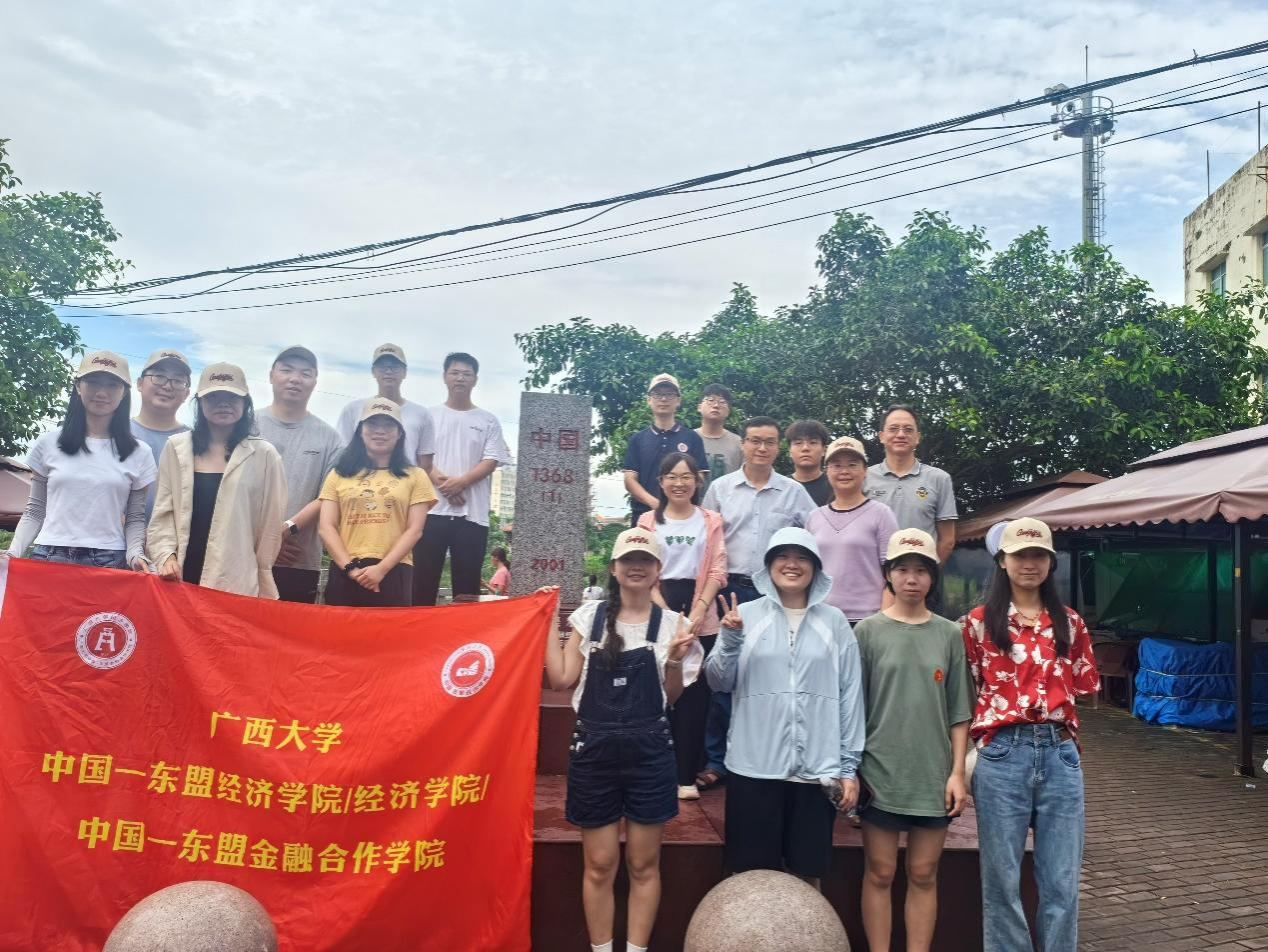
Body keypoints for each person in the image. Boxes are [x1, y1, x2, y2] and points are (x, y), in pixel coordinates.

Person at [542, 529, 702, 952]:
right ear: (614, 568)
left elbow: (671, 698)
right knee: (599, 864)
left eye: (645, 560)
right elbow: (560, 678)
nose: (636, 566)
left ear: (657, 570)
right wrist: (548, 620)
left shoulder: (674, 625)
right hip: (593, 752)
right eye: (628, 559)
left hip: (650, 753)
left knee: (643, 864)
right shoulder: (590, 618)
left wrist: (674, 661)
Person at [962, 518, 1099, 952]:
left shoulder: (1070, 623)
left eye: (1039, 554)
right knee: (1001, 883)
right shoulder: (978, 624)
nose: (1029, 563)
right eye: (1020, 555)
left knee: (1062, 882)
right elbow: (966, 693)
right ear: (1002, 561)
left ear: (1050, 562)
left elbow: (1084, 687)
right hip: (1002, 755)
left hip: (1060, 754)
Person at [706, 527, 865, 888]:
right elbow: (718, 682)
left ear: (816, 567)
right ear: (768, 566)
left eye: (802, 557)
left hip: (816, 771)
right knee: (750, 878)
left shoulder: (834, 622)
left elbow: (851, 696)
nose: (792, 564)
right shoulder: (744, 615)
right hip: (753, 768)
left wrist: (847, 767)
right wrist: (730, 640)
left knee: (807, 876)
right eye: (782, 556)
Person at [855, 528, 972, 952]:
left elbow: (959, 711)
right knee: (880, 871)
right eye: (901, 568)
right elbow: (853, 708)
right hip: (879, 772)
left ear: (932, 577)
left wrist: (957, 773)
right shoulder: (866, 632)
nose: (911, 578)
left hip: (932, 774)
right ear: (888, 574)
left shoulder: (950, 634)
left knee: (923, 873)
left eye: (921, 570)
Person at [697, 416, 815, 791]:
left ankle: (763, 752)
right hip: (728, 590)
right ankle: (717, 760)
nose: (761, 448)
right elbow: (707, 541)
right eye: (754, 441)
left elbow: (813, 537)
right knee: (722, 675)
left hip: (773, 593)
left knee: (767, 673)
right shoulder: (721, 489)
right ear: (743, 444)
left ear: (778, 448)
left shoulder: (793, 492)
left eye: (769, 442)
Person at [148, 363, 286, 598]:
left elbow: (270, 527)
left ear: (245, 403)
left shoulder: (265, 455)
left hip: (236, 580)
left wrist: (260, 573)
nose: (223, 403)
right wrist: (166, 556)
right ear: (200, 402)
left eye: (232, 397)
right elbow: (163, 512)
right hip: (178, 576)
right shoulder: (177, 448)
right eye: (213, 397)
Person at [8, 350, 155, 571]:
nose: (101, 392)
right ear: (78, 386)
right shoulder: (48, 443)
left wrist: (135, 555)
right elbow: (35, 510)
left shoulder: (139, 452)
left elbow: (135, 518)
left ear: (124, 392)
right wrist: (13, 552)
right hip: (49, 555)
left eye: (112, 385)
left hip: (109, 560)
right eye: (93, 382)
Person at [636, 452, 727, 800]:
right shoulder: (647, 521)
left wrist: (700, 610)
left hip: (700, 610)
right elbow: (642, 570)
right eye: (671, 477)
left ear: (697, 481)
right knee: (656, 690)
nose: (679, 483)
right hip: (658, 606)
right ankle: (654, 772)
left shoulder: (711, 520)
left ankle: (685, 775)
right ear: (661, 483)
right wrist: (666, 614)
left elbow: (718, 569)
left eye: (686, 476)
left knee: (695, 696)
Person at [413, 352, 511, 605]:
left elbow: (491, 460)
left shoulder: (488, 420)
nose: (460, 378)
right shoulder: (428, 416)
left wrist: (462, 482)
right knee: (421, 584)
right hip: (431, 511)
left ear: (475, 379)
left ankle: (463, 633)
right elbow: (419, 457)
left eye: (466, 374)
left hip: (472, 516)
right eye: (455, 373)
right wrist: (445, 485)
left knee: (466, 589)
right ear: (444, 377)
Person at [318, 398, 436, 608]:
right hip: (346, 569)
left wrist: (382, 569)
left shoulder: (416, 475)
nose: (380, 431)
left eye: (388, 425)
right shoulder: (339, 474)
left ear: (400, 433)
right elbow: (326, 527)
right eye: (372, 424)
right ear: (360, 431)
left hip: (394, 570)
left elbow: (415, 529)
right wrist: (350, 569)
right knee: (340, 630)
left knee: (391, 630)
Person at [256, 346, 344, 603]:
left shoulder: (330, 438)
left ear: (315, 382)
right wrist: (265, 540)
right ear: (271, 375)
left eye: (305, 373)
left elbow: (327, 497)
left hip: (298, 559)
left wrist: (285, 531)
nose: (295, 379)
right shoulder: (247, 425)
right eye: (286, 370)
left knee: (292, 627)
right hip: (246, 554)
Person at [806, 436, 899, 624]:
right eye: (836, 465)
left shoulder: (881, 514)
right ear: (827, 471)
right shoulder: (814, 517)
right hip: (820, 617)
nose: (844, 471)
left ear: (865, 470)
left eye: (852, 465)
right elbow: (807, 570)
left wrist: (883, 621)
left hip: (867, 620)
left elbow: (895, 571)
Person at [622, 373, 708, 527]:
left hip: (684, 520)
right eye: (657, 394)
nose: (663, 399)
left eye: (669, 394)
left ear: (678, 401)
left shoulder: (692, 438)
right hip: (644, 518)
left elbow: (699, 477)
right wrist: (656, 504)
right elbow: (630, 480)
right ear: (649, 400)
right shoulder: (638, 439)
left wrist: (674, 506)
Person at [335, 343, 436, 472]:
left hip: (406, 483)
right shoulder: (352, 409)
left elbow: (425, 465)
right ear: (373, 371)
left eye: (394, 367)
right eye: (383, 367)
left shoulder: (422, 414)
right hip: (359, 483)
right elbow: (342, 453)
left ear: (404, 372)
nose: (388, 372)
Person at [130, 349, 192, 522]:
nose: (167, 386)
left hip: (175, 537)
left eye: (178, 381)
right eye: (158, 376)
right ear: (140, 383)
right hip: (116, 536)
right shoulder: (114, 433)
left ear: (186, 394)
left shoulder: (197, 442)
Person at [695, 383, 742, 490]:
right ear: (699, 407)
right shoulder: (688, 438)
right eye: (710, 400)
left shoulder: (738, 442)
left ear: (728, 411)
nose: (716, 405)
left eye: (722, 402)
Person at [786, 419, 833, 507]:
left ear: (824, 450)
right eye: (798, 443)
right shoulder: (782, 487)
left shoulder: (835, 486)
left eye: (813, 442)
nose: (805, 448)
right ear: (790, 451)